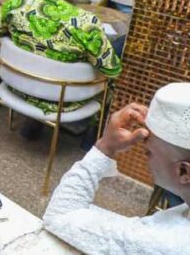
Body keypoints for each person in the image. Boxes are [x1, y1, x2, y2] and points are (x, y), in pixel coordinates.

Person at [43, 84, 190, 254]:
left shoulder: (160, 242)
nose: (145, 157)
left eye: (148, 152)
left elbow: (60, 216)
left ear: (184, 172)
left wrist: (105, 146)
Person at [0, 0, 121, 114]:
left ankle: (32, 125)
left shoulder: (16, 4)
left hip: (16, 86)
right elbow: (112, 70)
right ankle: (91, 132)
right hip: (62, 101)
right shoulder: (86, 23)